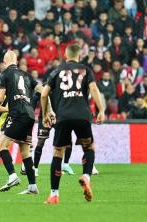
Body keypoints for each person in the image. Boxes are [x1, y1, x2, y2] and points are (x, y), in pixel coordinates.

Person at [0, 50, 53, 195]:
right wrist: (49, 110)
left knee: (1, 145)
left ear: (5, 63)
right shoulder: (27, 75)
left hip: (17, 113)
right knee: (25, 152)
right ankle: (32, 186)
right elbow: (44, 91)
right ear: (17, 62)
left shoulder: (4, 74)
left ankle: (12, 176)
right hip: (30, 114)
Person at [41, 44, 105, 204]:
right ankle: (86, 175)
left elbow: (43, 94)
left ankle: (54, 194)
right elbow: (94, 89)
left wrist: (45, 114)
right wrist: (101, 110)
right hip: (82, 115)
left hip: (63, 116)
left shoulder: (56, 71)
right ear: (79, 55)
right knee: (89, 148)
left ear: (65, 55)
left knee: (58, 152)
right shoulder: (85, 69)